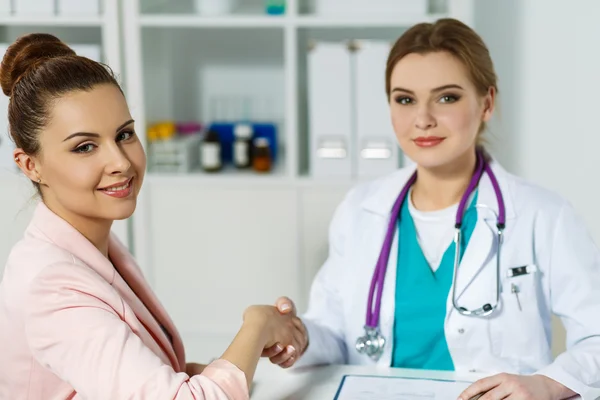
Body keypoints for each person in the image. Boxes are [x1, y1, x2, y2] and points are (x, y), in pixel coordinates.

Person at [268, 18, 600, 399]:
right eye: (405, 99)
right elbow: (337, 335)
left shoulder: (543, 215)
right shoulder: (361, 210)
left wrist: (546, 384)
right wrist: (299, 335)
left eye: (447, 97)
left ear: (487, 103)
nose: (423, 119)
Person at [0, 33, 306, 399]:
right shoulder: (51, 288)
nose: (121, 162)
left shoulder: (93, 247)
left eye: (124, 134)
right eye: (85, 146)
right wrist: (256, 328)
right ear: (30, 165)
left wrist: (248, 353)